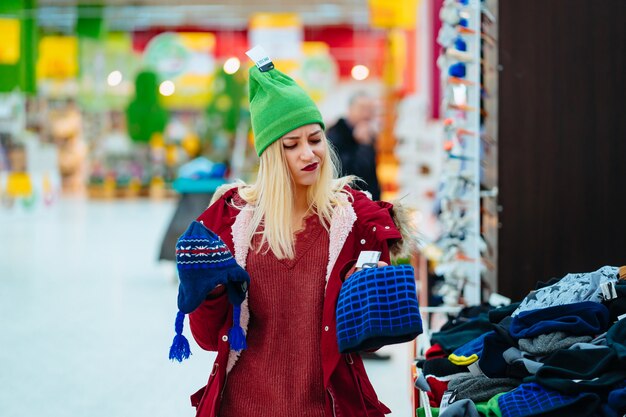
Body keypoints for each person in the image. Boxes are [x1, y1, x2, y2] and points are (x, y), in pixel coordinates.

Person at [185, 59, 413, 417]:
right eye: (291, 145)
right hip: (243, 405)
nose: (309, 154)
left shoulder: (353, 220)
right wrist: (210, 290)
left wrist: (367, 296)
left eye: (315, 139)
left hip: (328, 406)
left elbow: (374, 339)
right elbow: (205, 337)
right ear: (270, 156)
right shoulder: (231, 222)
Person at [327, 92, 381, 201]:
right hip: (349, 203)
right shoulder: (336, 134)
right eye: (362, 109)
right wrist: (364, 144)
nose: (366, 114)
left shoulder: (368, 134)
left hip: (370, 201)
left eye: (370, 110)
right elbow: (350, 176)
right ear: (350, 109)